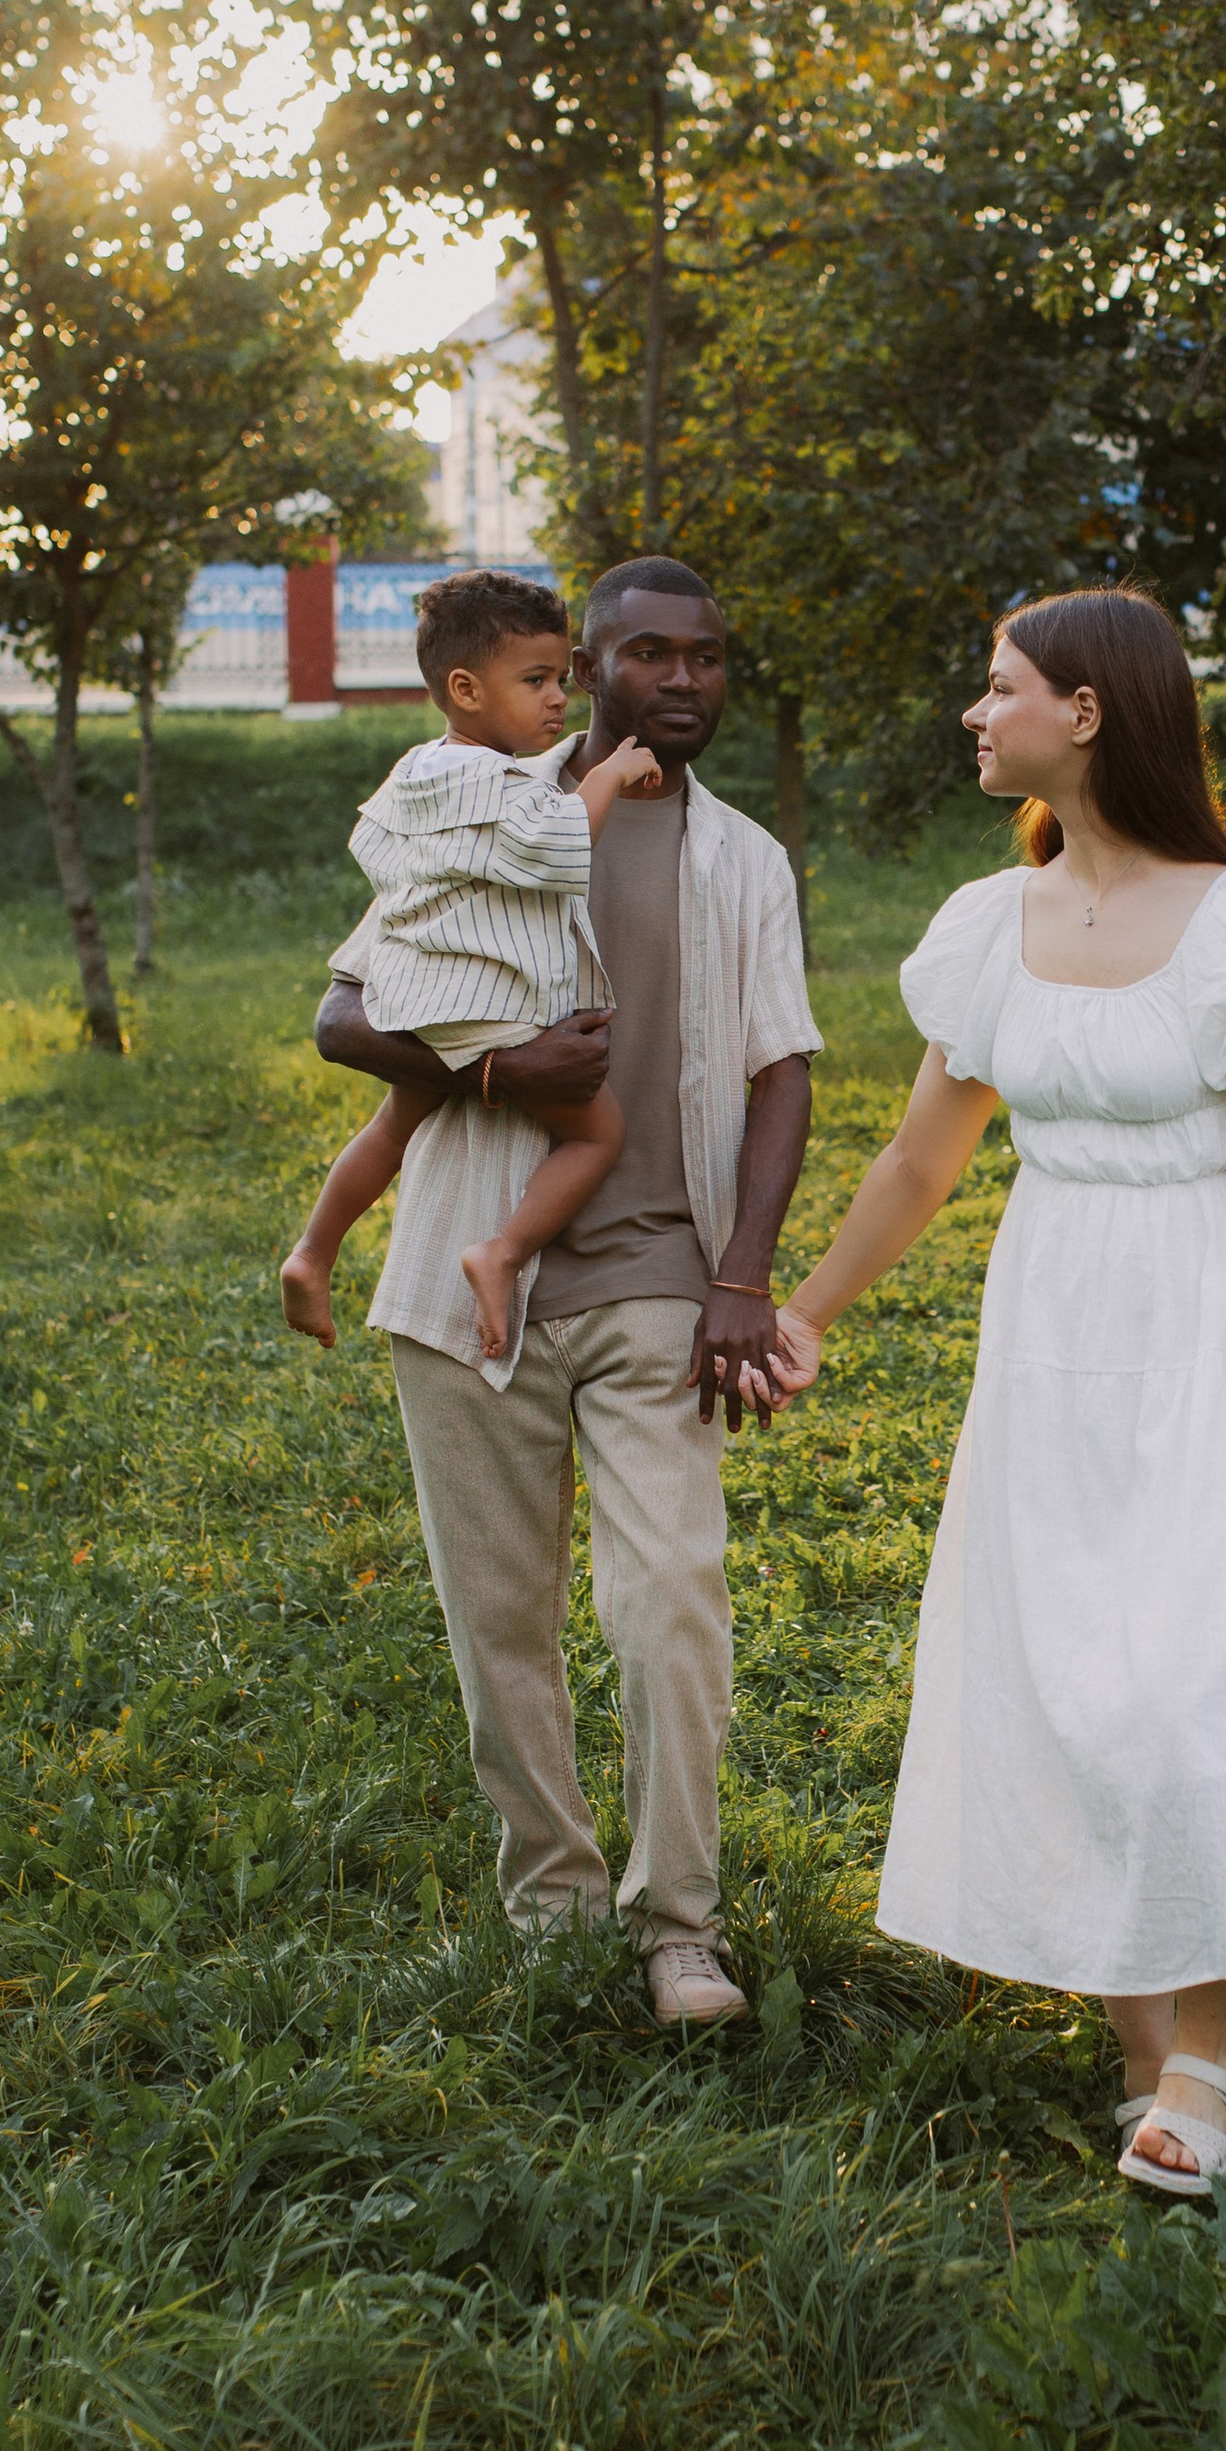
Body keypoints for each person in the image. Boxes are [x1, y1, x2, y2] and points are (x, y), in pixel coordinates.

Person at [766, 585, 1226, 2192]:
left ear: (1087, 713)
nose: (976, 714)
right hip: (1051, 1330)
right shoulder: (990, 925)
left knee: (1186, 1689)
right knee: (1066, 1683)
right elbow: (920, 1158)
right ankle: (1145, 2058)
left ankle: (1209, 2054)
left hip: (1212, 1334)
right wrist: (808, 1310)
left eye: (999, 687)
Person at [312, 556, 819, 2030]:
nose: (683, 682)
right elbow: (347, 1013)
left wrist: (744, 1275)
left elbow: (784, 1070)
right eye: (648, 655)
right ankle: (553, 1904)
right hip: (475, 1281)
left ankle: (680, 1928)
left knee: (671, 1605)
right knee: (502, 1622)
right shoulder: (483, 810)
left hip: (664, 1276)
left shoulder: (744, 860)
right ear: (581, 668)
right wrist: (488, 1066)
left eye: (709, 657)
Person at [279, 568, 662, 1362]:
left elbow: (383, 857)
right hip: (493, 1004)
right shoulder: (502, 780)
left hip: (420, 995)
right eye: (535, 681)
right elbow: (560, 845)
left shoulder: (418, 769)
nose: (558, 698)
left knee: (392, 1126)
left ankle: (312, 1252)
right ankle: (503, 1251)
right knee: (597, 1135)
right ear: (465, 688)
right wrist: (610, 776)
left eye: (561, 678)